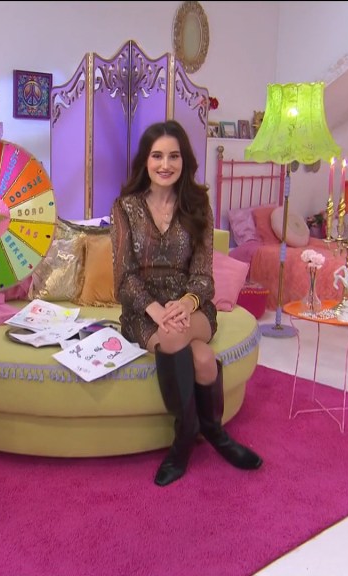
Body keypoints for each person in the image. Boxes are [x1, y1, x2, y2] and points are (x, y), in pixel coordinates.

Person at [111, 120, 263, 487]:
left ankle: (189, 439)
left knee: (176, 336)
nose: (165, 164)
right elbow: (124, 277)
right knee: (203, 359)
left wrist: (186, 303)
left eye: (174, 156)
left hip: (192, 307)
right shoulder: (126, 207)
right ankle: (206, 435)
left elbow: (203, 275)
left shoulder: (198, 205)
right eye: (157, 156)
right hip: (143, 311)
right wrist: (156, 309)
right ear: (145, 161)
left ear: (185, 161)